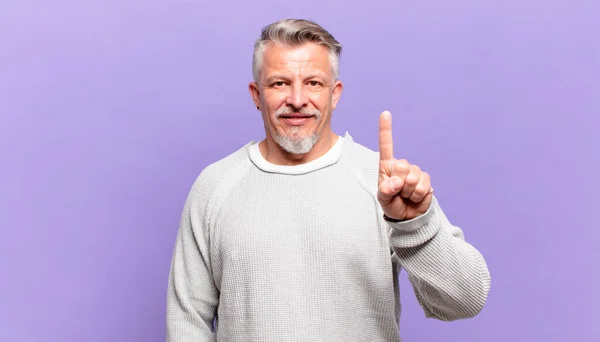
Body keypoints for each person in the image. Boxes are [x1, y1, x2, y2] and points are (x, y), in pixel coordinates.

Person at [166, 18, 491, 342]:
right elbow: (186, 323)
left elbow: (464, 301)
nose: (296, 99)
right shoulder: (215, 185)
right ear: (256, 94)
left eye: (313, 83)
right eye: (279, 83)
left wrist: (416, 225)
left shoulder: (384, 184)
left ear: (334, 93)